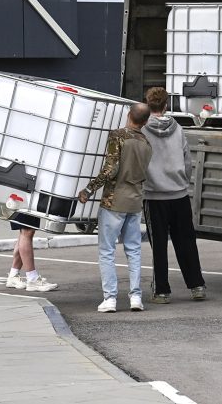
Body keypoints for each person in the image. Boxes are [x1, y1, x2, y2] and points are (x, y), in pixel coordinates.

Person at [79, 103, 152, 313]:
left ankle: (110, 298)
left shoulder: (117, 136)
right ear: (145, 121)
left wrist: (89, 189)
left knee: (107, 251)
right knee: (134, 250)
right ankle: (136, 296)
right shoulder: (147, 143)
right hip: (135, 200)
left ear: (129, 115)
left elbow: (110, 169)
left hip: (114, 200)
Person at [142, 87, 206, 304]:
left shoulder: (142, 130)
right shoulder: (177, 128)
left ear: (147, 104)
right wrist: (183, 181)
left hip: (154, 194)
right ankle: (196, 285)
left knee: (158, 245)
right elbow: (187, 159)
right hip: (178, 193)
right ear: (166, 105)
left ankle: (161, 290)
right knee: (186, 241)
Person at [4, 213, 58, 292]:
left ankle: (13, 275)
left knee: (25, 231)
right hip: (22, 202)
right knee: (27, 231)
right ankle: (32, 279)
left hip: (22, 202)